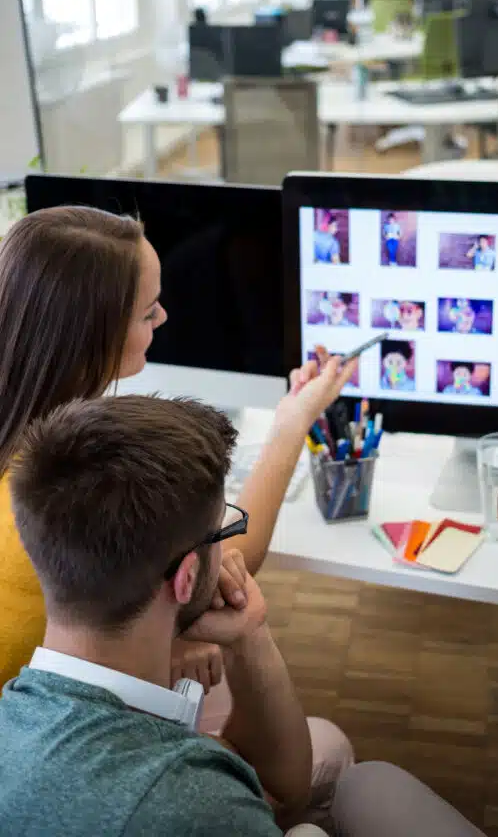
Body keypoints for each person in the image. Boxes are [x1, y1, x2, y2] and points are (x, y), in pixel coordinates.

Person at [0, 206, 356, 811]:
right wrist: (294, 421)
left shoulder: (34, 439)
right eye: (148, 311)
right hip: (60, 762)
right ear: (98, 334)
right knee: (327, 748)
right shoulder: (54, 491)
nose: (164, 316)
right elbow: (217, 560)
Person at [0, 394, 335, 835]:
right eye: (224, 530)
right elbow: (283, 804)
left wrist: (247, 633)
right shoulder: (194, 801)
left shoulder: (16, 714)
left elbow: (278, 790)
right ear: (187, 577)